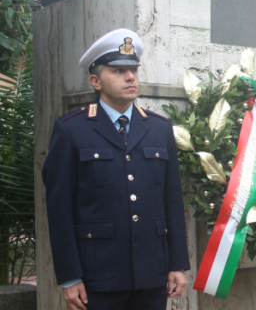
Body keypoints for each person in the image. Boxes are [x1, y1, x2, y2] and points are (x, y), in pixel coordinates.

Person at [42, 29, 190, 310]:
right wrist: (69, 276)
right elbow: (59, 209)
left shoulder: (159, 128)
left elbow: (172, 202)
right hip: (98, 275)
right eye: (118, 70)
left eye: (133, 69)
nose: (130, 77)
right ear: (95, 81)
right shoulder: (72, 129)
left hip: (152, 272)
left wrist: (177, 264)